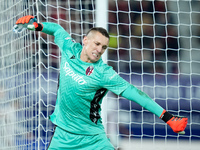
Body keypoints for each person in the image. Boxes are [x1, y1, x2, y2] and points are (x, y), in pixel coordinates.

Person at [15, 15, 188, 150]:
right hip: (62, 135)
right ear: (85, 40)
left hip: (92, 139)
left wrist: (168, 117)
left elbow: (136, 94)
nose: (99, 50)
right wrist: (38, 26)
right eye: (97, 44)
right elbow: (57, 30)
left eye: (104, 47)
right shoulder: (69, 49)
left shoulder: (104, 73)